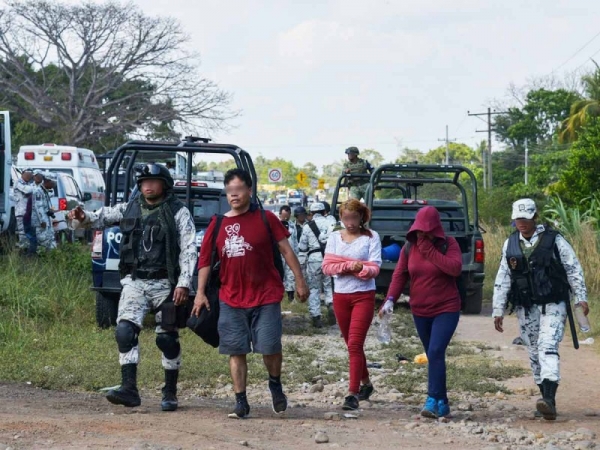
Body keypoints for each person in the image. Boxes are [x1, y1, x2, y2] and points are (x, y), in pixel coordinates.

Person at [68, 164, 197, 411]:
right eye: (143, 181)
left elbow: (189, 248)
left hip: (166, 284)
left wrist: (184, 284)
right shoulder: (130, 207)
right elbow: (100, 217)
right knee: (124, 332)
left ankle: (169, 392)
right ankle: (129, 389)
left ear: (164, 184)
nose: (147, 186)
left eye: (153, 181)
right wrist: (82, 217)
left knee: (167, 339)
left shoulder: (178, 212)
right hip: (135, 282)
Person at [192, 169, 309, 419]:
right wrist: (199, 293)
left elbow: (287, 251)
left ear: (249, 191)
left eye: (238, 191)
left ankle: (275, 385)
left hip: (266, 296)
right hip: (231, 298)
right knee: (236, 350)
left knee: (270, 347)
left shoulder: (266, 218)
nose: (234, 196)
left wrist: (300, 280)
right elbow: (204, 260)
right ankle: (240, 401)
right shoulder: (219, 223)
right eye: (230, 192)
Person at [492, 198, 589, 421]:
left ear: (535, 217)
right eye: (518, 219)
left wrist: (580, 298)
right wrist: (498, 309)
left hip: (553, 303)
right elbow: (503, 277)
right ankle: (544, 398)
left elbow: (573, 268)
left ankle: (549, 399)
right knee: (534, 352)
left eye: (526, 219)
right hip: (526, 307)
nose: (522, 223)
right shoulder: (511, 243)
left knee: (547, 346)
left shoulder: (554, 240)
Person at [381, 206, 462, 419]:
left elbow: (454, 269)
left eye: (427, 231)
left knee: (435, 351)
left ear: (436, 229)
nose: (423, 235)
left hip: (446, 308)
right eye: (419, 231)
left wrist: (430, 252)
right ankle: (443, 402)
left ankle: (431, 399)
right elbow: (400, 275)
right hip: (420, 310)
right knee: (433, 355)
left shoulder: (448, 244)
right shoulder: (409, 246)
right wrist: (390, 299)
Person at [322, 199, 381, 410]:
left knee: (355, 344)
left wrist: (354, 268)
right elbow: (327, 267)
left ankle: (352, 393)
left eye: (354, 218)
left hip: (363, 296)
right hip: (341, 296)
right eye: (346, 218)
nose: (350, 223)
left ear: (361, 217)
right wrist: (351, 265)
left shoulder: (371, 237)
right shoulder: (334, 237)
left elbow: (374, 268)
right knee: (351, 345)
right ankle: (366, 383)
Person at [298, 202, 335, 328]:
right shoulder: (331, 224)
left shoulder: (307, 227)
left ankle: (316, 317)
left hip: (314, 259)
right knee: (329, 284)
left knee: (314, 288)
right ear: (325, 211)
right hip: (329, 258)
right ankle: (331, 304)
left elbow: (302, 247)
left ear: (311, 213)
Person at [13, 168, 37, 254]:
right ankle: (23, 251)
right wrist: (33, 189)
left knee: (30, 232)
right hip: (21, 212)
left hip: (30, 213)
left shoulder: (29, 183)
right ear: (22, 173)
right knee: (23, 233)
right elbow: (27, 190)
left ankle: (29, 250)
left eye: (30, 175)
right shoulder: (18, 182)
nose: (28, 176)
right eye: (27, 174)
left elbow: (34, 190)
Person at [33, 170, 57, 252]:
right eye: (53, 183)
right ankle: (41, 260)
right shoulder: (38, 191)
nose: (53, 186)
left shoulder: (45, 191)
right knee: (42, 241)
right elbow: (38, 208)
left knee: (50, 239)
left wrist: (50, 211)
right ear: (47, 181)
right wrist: (42, 221)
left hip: (46, 220)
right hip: (41, 222)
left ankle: (50, 258)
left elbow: (44, 207)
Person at [279, 205, 299, 302]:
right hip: (279, 254)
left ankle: (291, 297)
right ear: (280, 214)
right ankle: (279, 296)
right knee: (280, 274)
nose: (285, 218)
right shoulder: (276, 224)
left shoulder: (292, 225)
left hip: (290, 253)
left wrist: (296, 253)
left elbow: (295, 241)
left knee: (291, 275)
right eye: (283, 216)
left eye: (287, 215)